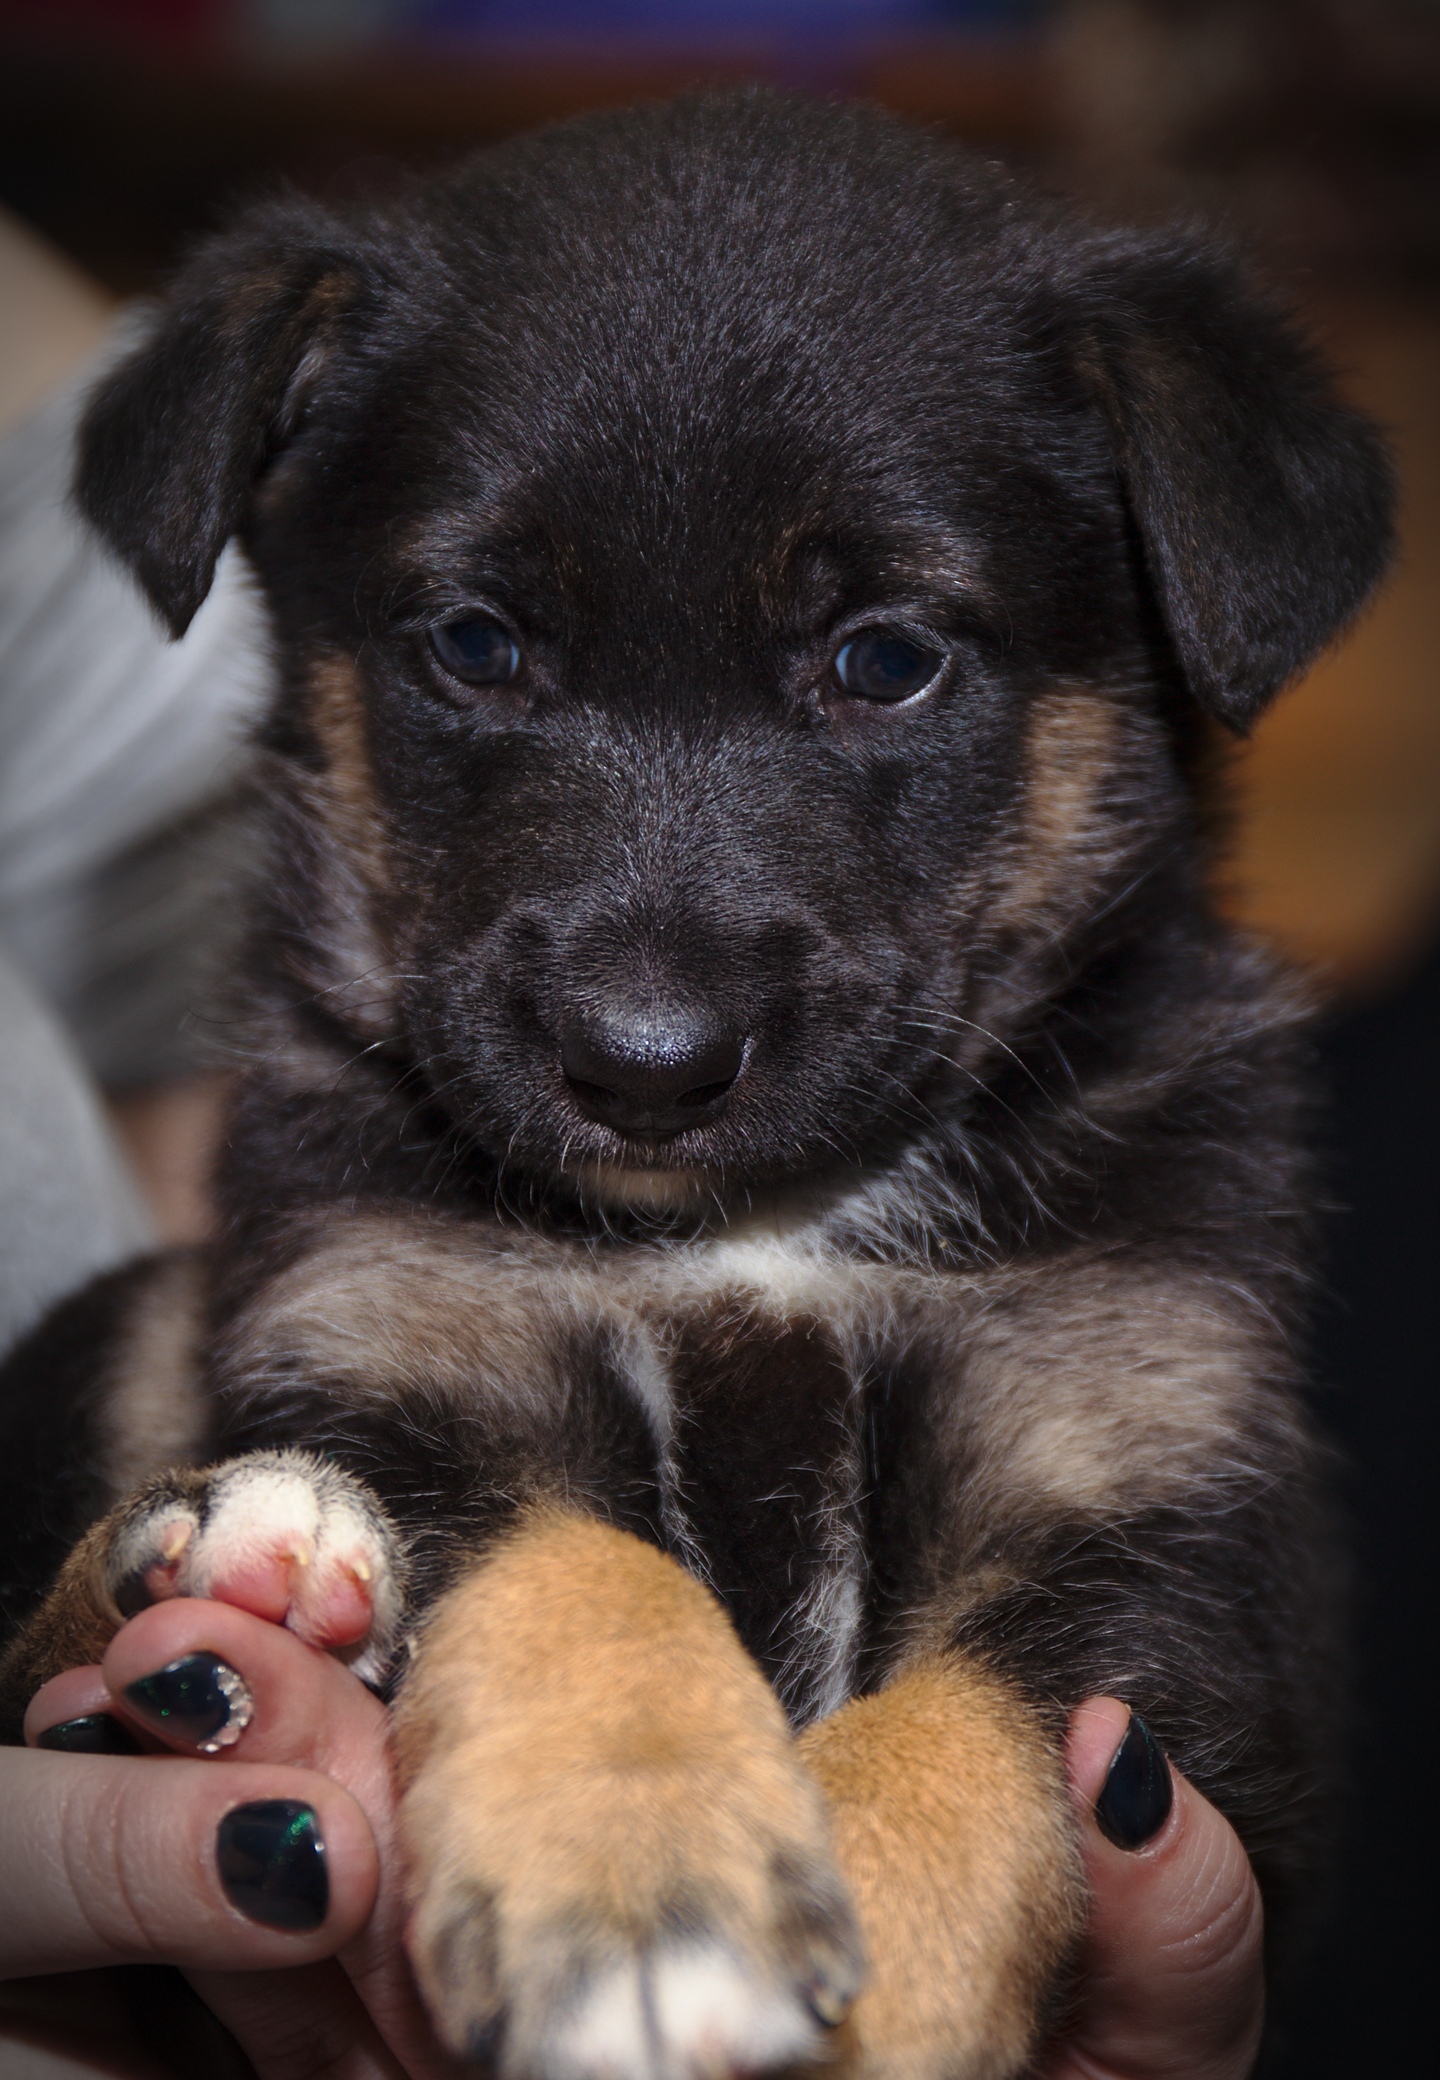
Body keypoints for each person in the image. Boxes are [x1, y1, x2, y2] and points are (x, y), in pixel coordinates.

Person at [0, 207, 1266, 2080]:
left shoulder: (1149, 1169)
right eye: (482, 647)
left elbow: (1148, 1667)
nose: (651, 1016)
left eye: (890, 662)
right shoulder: (363, 1139)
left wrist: (941, 1894)